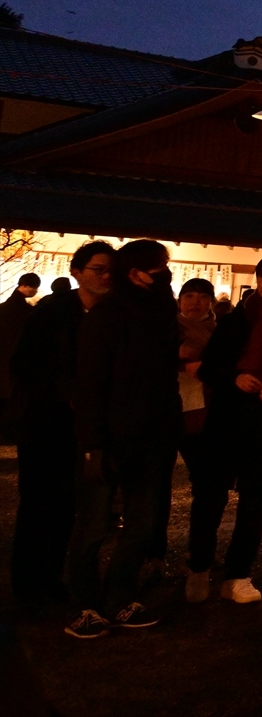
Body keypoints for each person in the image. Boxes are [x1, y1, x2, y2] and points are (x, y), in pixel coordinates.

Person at [64, 239, 181, 639]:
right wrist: (92, 444)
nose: (166, 273)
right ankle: (84, 605)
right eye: (159, 267)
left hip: (152, 439)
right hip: (110, 438)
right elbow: (90, 385)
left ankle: (118, 598)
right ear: (135, 273)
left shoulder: (163, 312)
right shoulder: (107, 316)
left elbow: (164, 379)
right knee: (93, 525)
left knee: (142, 524)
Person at [189, 253, 262, 606]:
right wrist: (235, 378)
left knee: (254, 502)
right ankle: (199, 566)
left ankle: (238, 574)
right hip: (226, 420)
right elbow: (209, 369)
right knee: (210, 497)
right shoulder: (236, 321)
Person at [9, 242, 112, 606]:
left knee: (73, 505)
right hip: (46, 423)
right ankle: (29, 583)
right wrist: (63, 391)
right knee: (40, 502)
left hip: (93, 426)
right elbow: (23, 365)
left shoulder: (116, 315)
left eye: (109, 270)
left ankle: (55, 578)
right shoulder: (51, 312)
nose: (104, 276)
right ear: (77, 272)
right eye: (97, 269)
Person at [163, 278, 217, 596]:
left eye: (202, 297)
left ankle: (199, 561)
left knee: (207, 487)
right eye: (189, 296)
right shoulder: (165, 329)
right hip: (166, 414)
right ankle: (153, 554)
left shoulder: (221, 333)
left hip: (204, 417)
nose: (195, 302)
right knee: (156, 486)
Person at [0, 271, 39, 439]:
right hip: (15, 361)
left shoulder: (4, 308)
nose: (35, 291)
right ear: (25, 286)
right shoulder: (26, 312)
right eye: (34, 287)